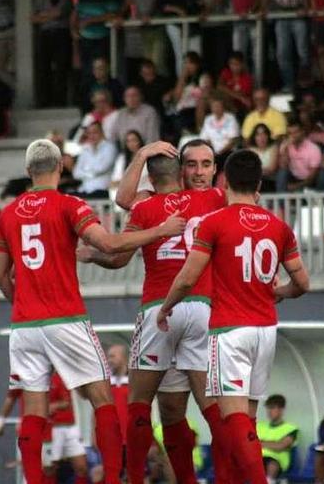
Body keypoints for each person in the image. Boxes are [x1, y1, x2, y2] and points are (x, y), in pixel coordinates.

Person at [0, 138, 187, 484]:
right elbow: (110, 244)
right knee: (103, 399)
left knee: (34, 410)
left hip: (24, 325)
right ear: (61, 168)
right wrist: (161, 230)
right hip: (65, 318)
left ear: (28, 171)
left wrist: (22, 305)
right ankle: (114, 479)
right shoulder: (70, 205)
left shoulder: (7, 215)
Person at [79, 143, 233, 484]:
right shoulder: (211, 200)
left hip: (158, 310)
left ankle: (133, 478)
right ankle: (225, 475)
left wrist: (91, 256)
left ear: (150, 177)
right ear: (182, 173)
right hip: (202, 308)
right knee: (188, 408)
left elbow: (118, 256)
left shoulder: (146, 208)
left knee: (138, 403)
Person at [156, 149, 310, 483]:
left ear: (224, 182)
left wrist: (166, 307)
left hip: (230, 331)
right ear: (258, 185)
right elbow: (302, 283)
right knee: (248, 420)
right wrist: (278, 292)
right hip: (266, 331)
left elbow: (186, 277)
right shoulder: (279, 227)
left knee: (233, 420)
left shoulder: (215, 223)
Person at [32, 0, 73, 108]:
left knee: (61, 68)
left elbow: (59, 13)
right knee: (42, 68)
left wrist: (43, 16)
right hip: (44, 35)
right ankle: (44, 101)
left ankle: (60, 101)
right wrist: (50, 15)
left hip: (61, 33)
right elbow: (33, 18)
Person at [264, 0, 310, 93]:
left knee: (303, 51)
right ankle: (289, 84)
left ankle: (305, 84)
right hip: (281, 14)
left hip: (299, 11)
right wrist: (264, 8)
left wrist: (307, 7)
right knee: (282, 53)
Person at [72, 0, 123, 75]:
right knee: (86, 70)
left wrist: (90, 20)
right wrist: (73, 30)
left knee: (102, 69)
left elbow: (114, 14)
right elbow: (75, 14)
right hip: (84, 39)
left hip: (103, 39)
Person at [73, 122, 118, 199]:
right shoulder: (85, 149)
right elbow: (76, 173)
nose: (92, 136)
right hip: (85, 190)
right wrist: (91, 173)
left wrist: (85, 171)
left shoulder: (110, 147)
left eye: (95, 132)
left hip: (102, 191)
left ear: (102, 133)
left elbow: (101, 168)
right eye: (89, 133)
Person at [258, 394, 298, 480]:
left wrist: (261, 442)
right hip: (257, 458)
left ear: (281, 410)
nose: (269, 411)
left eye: (272, 408)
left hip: (276, 460)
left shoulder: (291, 429)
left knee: (272, 464)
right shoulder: (259, 426)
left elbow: (281, 446)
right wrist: (272, 443)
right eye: (268, 408)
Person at [276, 120, 322, 192]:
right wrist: (284, 149)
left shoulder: (313, 148)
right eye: (290, 133)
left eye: (295, 132)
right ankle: (281, 201)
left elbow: (312, 178)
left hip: (308, 181)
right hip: (293, 177)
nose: (293, 136)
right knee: (282, 173)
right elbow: (283, 166)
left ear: (302, 132)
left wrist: (296, 186)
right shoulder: (287, 145)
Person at [247, 123, 278, 191]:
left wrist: (256, 170)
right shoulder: (251, 150)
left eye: (264, 134)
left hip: (270, 180)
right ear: (254, 137)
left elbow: (272, 169)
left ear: (268, 136)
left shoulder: (273, 148)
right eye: (258, 134)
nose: (261, 137)